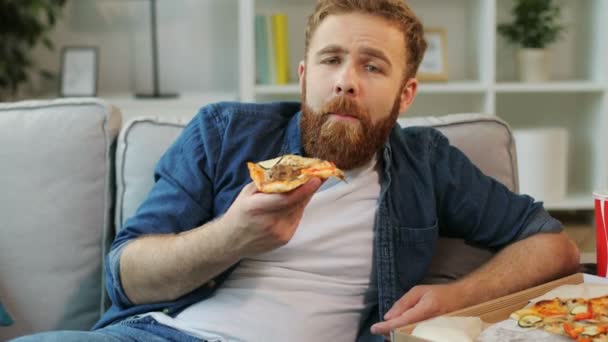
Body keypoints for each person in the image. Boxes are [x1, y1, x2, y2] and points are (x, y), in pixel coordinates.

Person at [13, 0, 580, 341]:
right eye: (331, 61)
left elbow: (552, 246)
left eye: (372, 66)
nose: (346, 81)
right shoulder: (223, 132)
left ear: (406, 94)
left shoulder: (425, 161)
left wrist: (457, 297)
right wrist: (232, 236)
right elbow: (126, 275)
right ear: (305, 75)